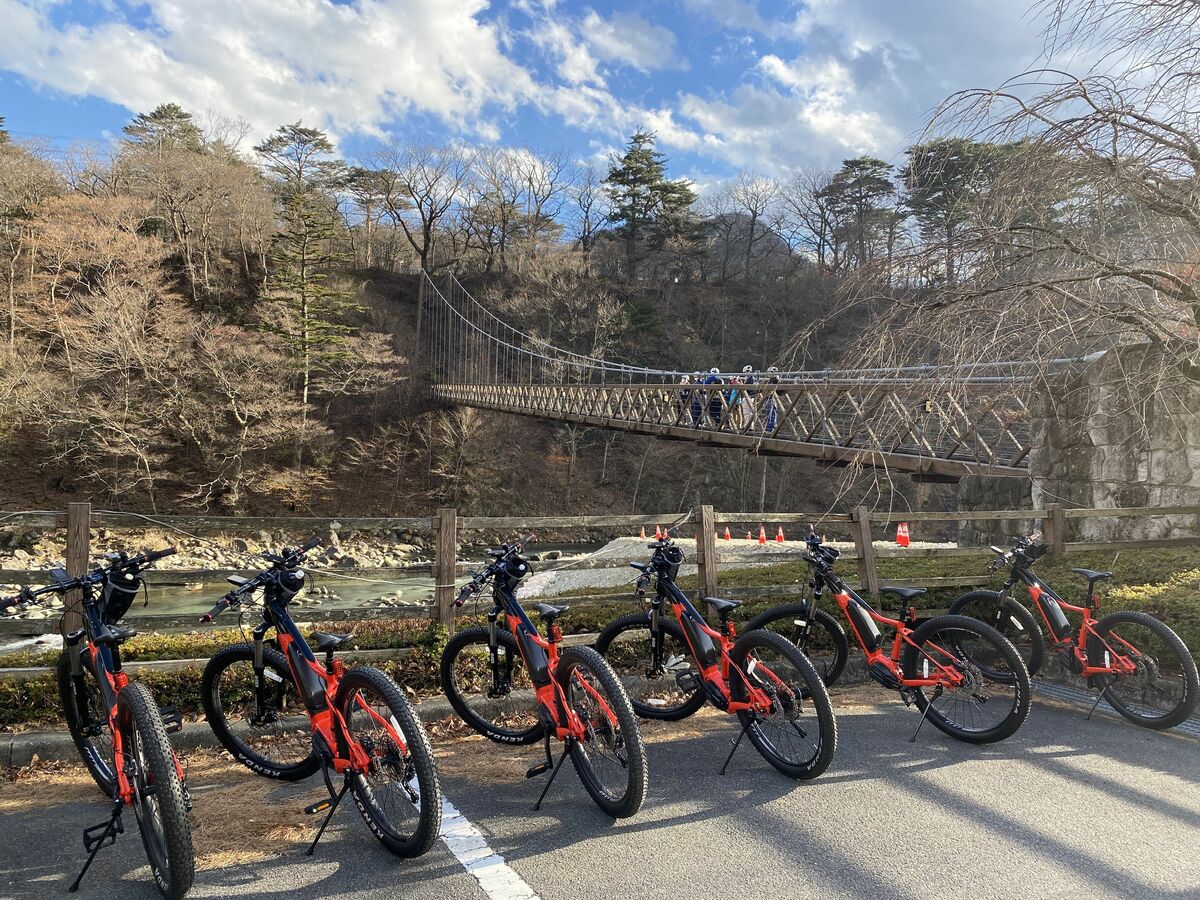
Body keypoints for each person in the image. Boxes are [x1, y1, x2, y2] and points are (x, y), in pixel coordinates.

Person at [738, 365, 757, 431]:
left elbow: (746, 388)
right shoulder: (753, 378)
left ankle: (747, 426)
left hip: (748, 396)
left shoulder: (750, 379)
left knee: (747, 412)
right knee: (750, 412)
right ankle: (750, 426)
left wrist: (740, 384)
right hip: (751, 397)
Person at [763, 366, 781, 433]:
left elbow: (773, 389)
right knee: (769, 413)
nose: (768, 374)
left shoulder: (775, 379)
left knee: (771, 413)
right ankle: (769, 427)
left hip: (771, 398)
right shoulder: (771, 379)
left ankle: (770, 428)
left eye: (770, 372)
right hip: (768, 398)